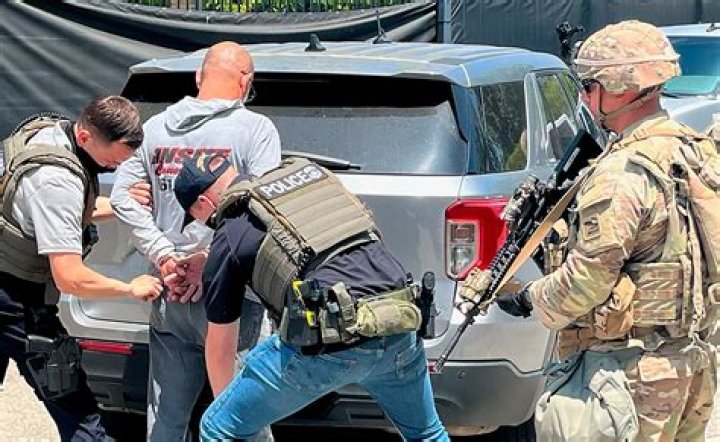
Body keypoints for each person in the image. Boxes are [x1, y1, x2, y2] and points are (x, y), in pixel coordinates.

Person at [461, 20, 719, 441]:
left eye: (588, 85)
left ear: (618, 88)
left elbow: (585, 283)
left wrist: (528, 297)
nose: (583, 97)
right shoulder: (696, 151)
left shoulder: (622, 173)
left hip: (630, 377)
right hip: (691, 364)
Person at [172, 154, 449, 441]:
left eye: (196, 218)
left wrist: (231, 410)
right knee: (427, 433)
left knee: (218, 427)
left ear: (203, 203)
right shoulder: (307, 183)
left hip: (332, 339)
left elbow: (221, 348)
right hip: (398, 320)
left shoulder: (229, 230)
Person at [110, 41, 280, 441]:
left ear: (199, 77)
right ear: (246, 82)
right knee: (242, 418)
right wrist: (208, 260)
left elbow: (121, 198)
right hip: (233, 296)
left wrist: (165, 256)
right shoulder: (255, 130)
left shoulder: (154, 129)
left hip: (169, 291)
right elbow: (264, 207)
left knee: (166, 421)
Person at [0, 96, 163, 441]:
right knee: (78, 411)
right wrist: (129, 288)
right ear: (86, 136)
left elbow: (61, 210)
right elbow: (70, 277)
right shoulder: (56, 180)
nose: (117, 168)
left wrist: (121, 205)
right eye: (113, 159)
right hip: (14, 297)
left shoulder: (48, 134)